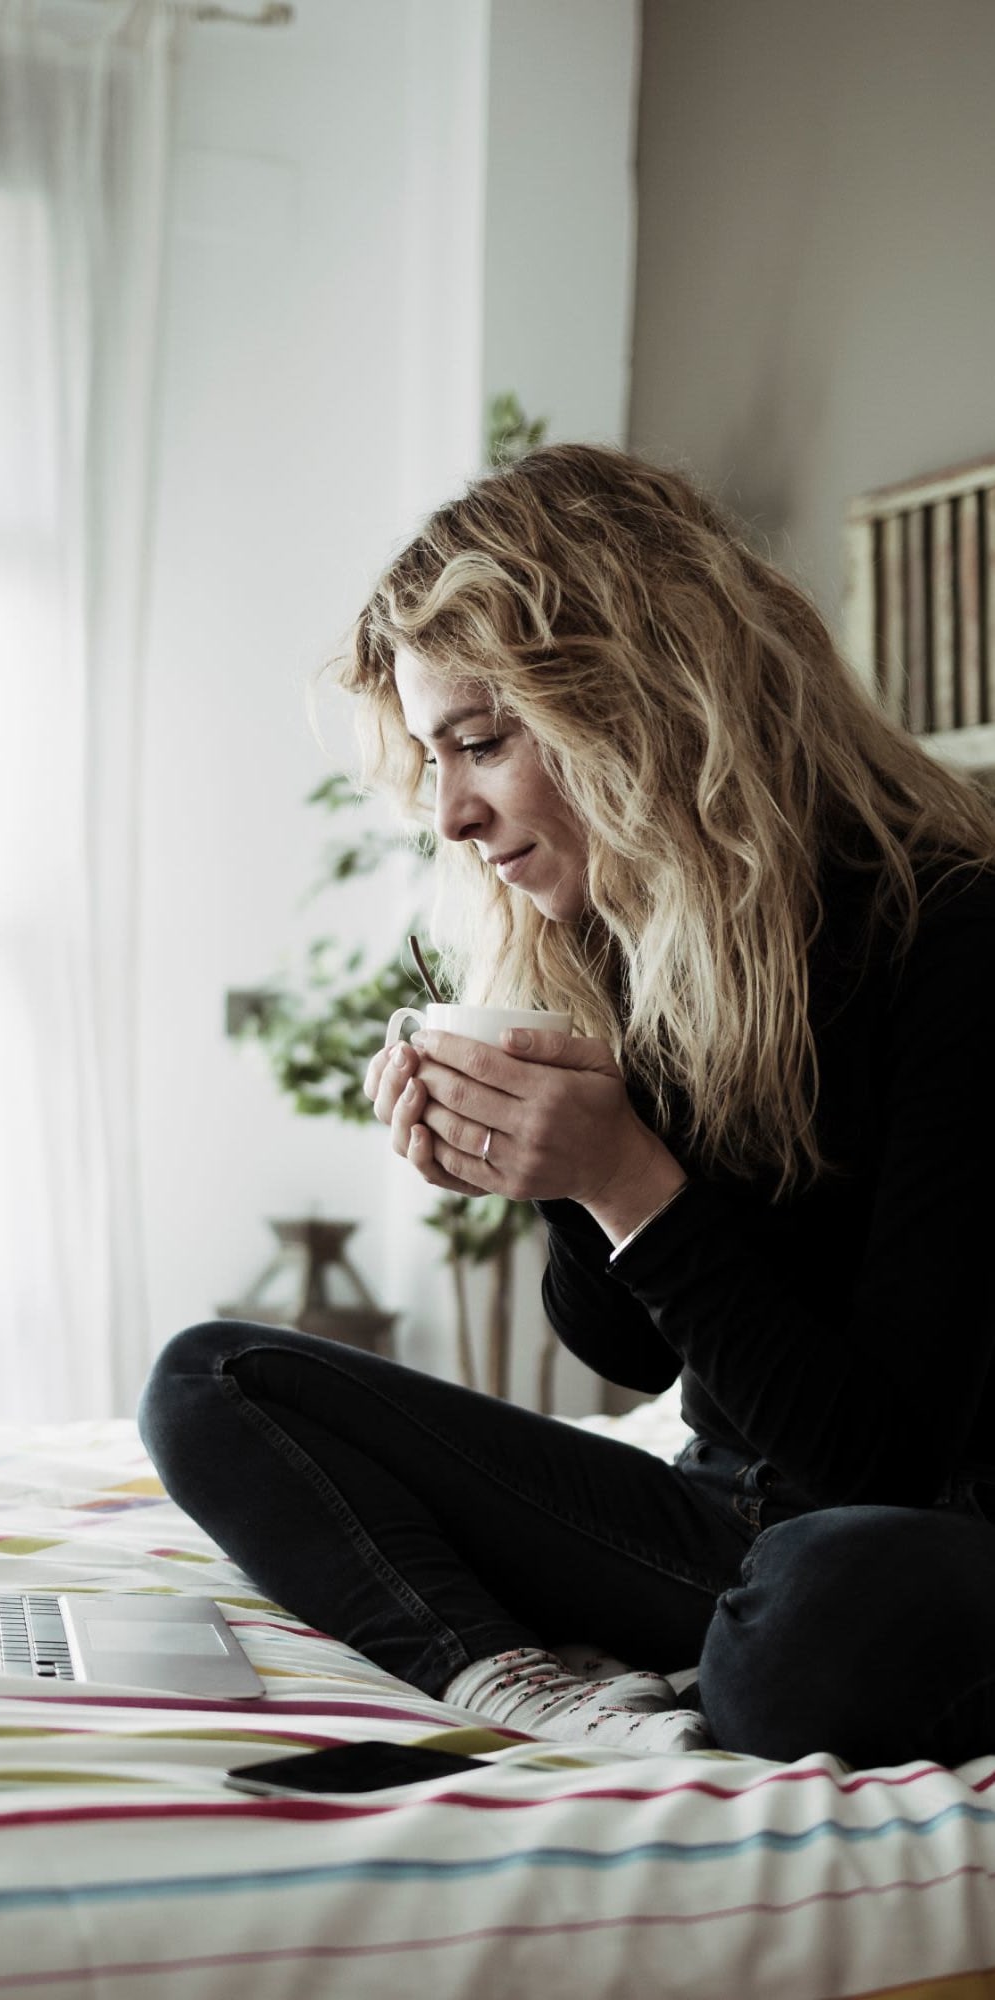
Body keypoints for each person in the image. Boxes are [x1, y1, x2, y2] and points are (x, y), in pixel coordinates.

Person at [139, 442, 995, 1766]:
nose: (453, 813)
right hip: (720, 1536)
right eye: (435, 760)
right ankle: (533, 1689)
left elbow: (877, 1459)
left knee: (822, 1607)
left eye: (479, 744)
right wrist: (547, 1162)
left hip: (918, 1534)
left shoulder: (953, 934)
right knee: (212, 1379)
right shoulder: (624, 932)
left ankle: (723, 1666)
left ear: (639, 701)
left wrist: (621, 1178)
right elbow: (637, 1356)